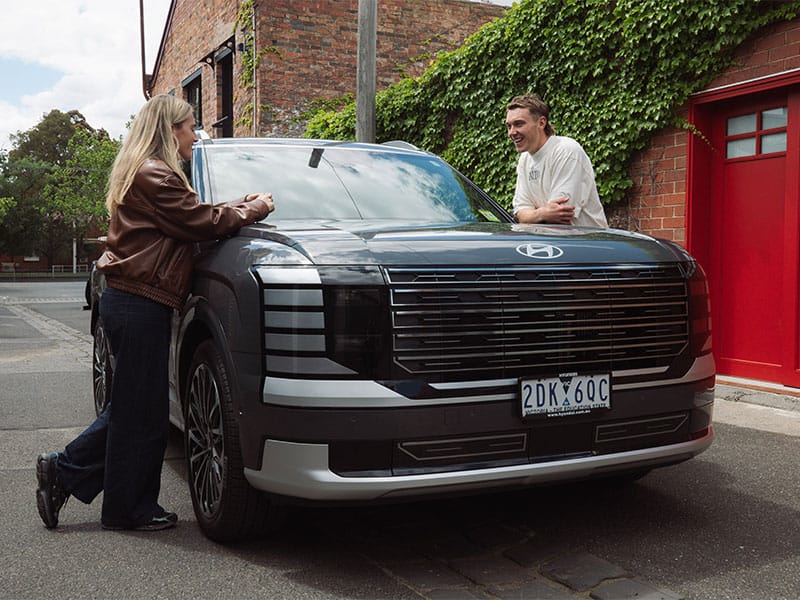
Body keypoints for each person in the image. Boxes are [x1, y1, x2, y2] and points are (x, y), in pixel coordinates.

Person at [35, 94, 275, 532]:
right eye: (189, 126)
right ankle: (108, 497)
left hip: (134, 300)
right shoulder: (157, 173)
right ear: (170, 130)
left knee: (137, 411)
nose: (194, 135)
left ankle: (80, 482)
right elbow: (200, 222)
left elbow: (195, 214)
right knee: (138, 415)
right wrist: (255, 208)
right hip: (139, 302)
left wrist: (239, 202)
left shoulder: (147, 171)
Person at [506, 93, 608, 228]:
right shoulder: (525, 160)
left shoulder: (566, 151)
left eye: (519, 124)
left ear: (541, 123)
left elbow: (560, 217)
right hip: (551, 244)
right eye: (509, 126)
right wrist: (542, 213)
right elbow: (520, 214)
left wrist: (532, 215)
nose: (511, 132)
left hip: (586, 245)